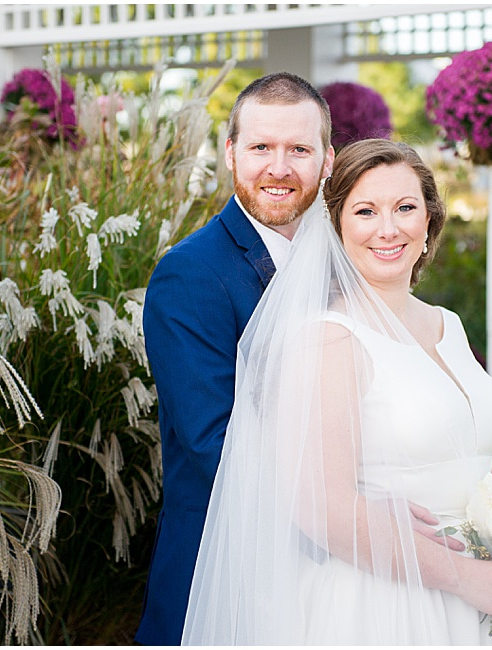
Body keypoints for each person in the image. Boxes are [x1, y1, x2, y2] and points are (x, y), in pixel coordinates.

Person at [183, 139, 492, 645]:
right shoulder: (329, 338)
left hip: (482, 589)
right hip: (384, 603)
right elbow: (321, 509)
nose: (389, 228)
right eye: (366, 211)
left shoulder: (447, 324)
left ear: (429, 220)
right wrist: (467, 578)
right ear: (338, 228)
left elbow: (474, 455)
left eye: (405, 207)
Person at [134, 72, 335, 646]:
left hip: (333, 582)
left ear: (327, 158)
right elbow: (211, 445)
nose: (279, 167)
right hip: (227, 575)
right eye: (261, 148)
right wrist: (348, 522)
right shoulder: (190, 273)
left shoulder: (350, 258)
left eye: (299, 149)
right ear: (230, 154)